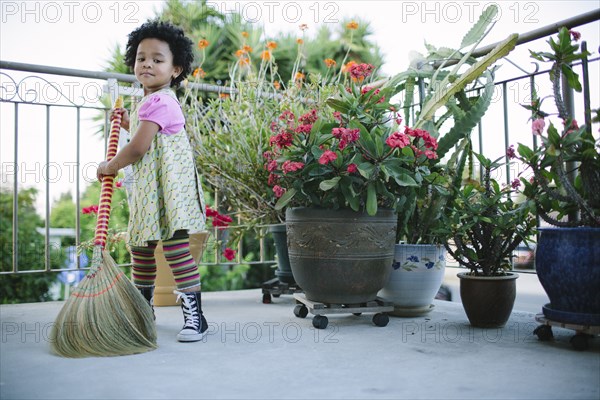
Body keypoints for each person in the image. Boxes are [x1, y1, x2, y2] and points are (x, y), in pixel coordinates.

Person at [97, 20, 207, 342]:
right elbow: (148, 137)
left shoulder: (161, 100)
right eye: (141, 57)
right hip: (150, 193)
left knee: (175, 250)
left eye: (158, 59)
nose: (147, 64)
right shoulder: (149, 103)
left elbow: (139, 148)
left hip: (168, 194)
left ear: (176, 70)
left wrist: (110, 166)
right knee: (141, 250)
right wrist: (130, 121)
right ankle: (143, 312)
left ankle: (195, 317)